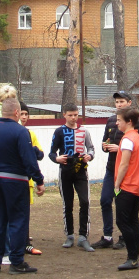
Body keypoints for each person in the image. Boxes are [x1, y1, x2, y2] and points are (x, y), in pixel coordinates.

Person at [0, 97, 45, 274]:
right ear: (16, 112)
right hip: (16, 181)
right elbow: (28, 159)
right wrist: (39, 180)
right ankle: (16, 262)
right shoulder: (20, 132)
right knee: (17, 220)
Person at [92, 90, 139, 251]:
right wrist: (105, 146)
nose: (119, 104)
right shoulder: (111, 121)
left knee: (124, 207)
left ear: (129, 103)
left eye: (122, 102)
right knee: (105, 200)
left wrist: (121, 149)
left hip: (128, 172)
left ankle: (124, 237)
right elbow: (105, 142)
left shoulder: (136, 123)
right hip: (112, 169)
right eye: (117, 102)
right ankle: (107, 236)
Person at [48, 103, 96, 251]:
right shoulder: (59, 132)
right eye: (70, 115)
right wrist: (57, 159)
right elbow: (51, 152)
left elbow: (91, 148)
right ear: (64, 115)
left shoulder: (84, 131)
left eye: (76, 115)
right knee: (67, 204)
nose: (73, 118)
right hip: (65, 171)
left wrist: (90, 156)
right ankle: (69, 235)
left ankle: (83, 236)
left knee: (85, 202)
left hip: (81, 171)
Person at [112, 106, 139, 271]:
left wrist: (117, 184)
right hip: (138, 184)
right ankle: (134, 256)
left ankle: (132, 257)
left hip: (128, 185)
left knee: (123, 221)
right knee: (133, 220)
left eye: (119, 120)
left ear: (129, 121)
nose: (117, 123)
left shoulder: (127, 139)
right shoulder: (137, 137)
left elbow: (124, 164)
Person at [17, 101, 45, 256]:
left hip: (26, 181)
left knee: (24, 213)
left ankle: (25, 242)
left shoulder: (29, 134)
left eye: (26, 114)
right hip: (14, 179)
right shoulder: (14, 133)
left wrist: (31, 150)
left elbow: (39, 155)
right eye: (21, 114)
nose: (24, 117)